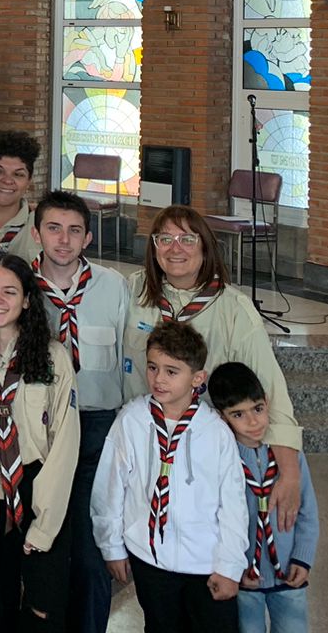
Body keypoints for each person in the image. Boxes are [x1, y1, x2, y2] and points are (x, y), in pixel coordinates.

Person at [121, 206, 304, 530]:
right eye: (165, 238)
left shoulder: (233, 308)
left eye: (187, 239)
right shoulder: (132, 293)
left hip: (207, 451)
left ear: (205, 247)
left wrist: (290, 472)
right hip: (143, 444)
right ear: (153, 246)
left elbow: (269, 386)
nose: (175, 248)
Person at [93, 325, 247, 633]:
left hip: (205, 564)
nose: (159, 379)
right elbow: (109, 489)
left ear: (197, 378)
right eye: (153, 367)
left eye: (172, 371)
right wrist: (112, 547)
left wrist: (230, 565)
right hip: (150, 560)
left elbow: (233, 503)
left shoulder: (215, 431)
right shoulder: (132, 420)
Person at [28, 192, 129, 633]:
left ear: (88, 236)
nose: (63, 240)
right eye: (53, 228)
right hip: (40, 430)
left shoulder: (113, 286)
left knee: (91, 556)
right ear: (36, 233)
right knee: (44, 545)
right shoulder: (20, 286)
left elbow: (128, 356)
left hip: (97, 426)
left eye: (74, 231)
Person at [0, 255, 80, 633]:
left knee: (43, 611)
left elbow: (64, 444)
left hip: (39, 489)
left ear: (27, 300)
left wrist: (44, 525)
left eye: (10, 291)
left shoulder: (51, 357)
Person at [207, 363, 319, 633]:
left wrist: (302, 558)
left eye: (257, 409)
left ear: (267, 402)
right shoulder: (224, 461)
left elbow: (308, 512)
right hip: (246, 581)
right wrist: (233, 567)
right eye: (239, 414)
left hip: (289, 575)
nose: (253, 421)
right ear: (223, 418)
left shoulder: (289, 457)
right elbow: (215, 520)